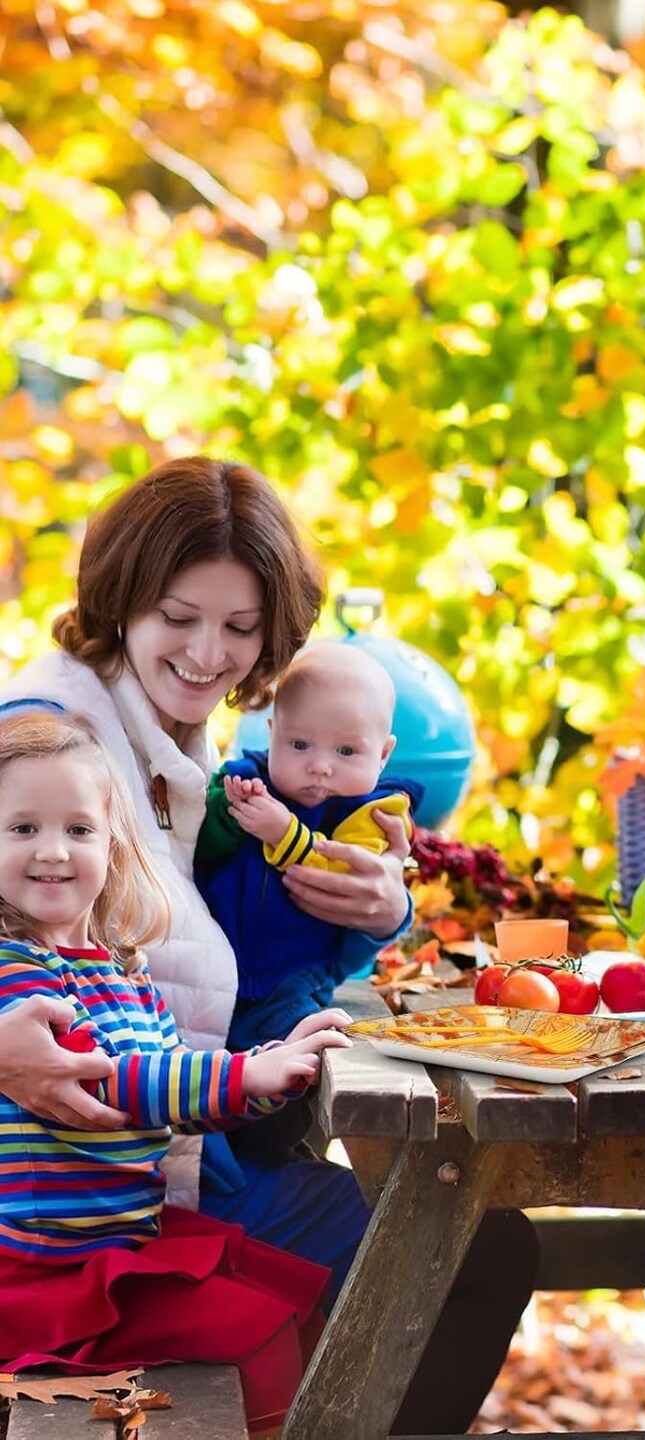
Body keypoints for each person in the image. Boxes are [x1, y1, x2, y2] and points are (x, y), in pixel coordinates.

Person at [0, 456, 536, 1434]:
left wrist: (375, 915)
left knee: (461, 1237)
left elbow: (229, 962)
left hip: (187, 1154)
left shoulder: (188, 744)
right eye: (180, 617)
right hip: (90, 1215)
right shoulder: (52, 738)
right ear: (122, 600)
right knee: (465, 1250)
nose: (211, 654)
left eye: (241, 629)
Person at [0, 709, 350, 1431]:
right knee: (256, 1335)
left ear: (112, 844)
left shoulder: (124, 972)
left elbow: (172, 1090)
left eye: (78, 829)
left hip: (121, 1240)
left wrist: (261, 1082)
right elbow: (106, 1078)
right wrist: (244, 1072)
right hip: (45, 1275)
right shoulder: (14, 971)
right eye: (23, 828)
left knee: (297, 1300)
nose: (53, 852)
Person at [196, 643, 420, 1052]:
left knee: (296, 1049)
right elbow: (194, 844)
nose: (319, 765)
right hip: (209, 970)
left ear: (384, 754)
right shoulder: (247, 779)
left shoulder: (376, 813)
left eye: (346, 751)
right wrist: (227, 814)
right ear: (272, 733)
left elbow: (346, 880)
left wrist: (284, 834)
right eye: (299, 745)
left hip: (294, 977)